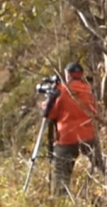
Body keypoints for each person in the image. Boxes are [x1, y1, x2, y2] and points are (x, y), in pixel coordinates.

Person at [42, 63, 105, 196]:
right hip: (88, 135)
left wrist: (46, 103)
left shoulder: (61, 91)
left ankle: (62, 198)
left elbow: (50, 114)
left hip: (67, 137)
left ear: (67, 75)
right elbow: (95, 112)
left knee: (61, 171)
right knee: (101, 164)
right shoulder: (88, 91)